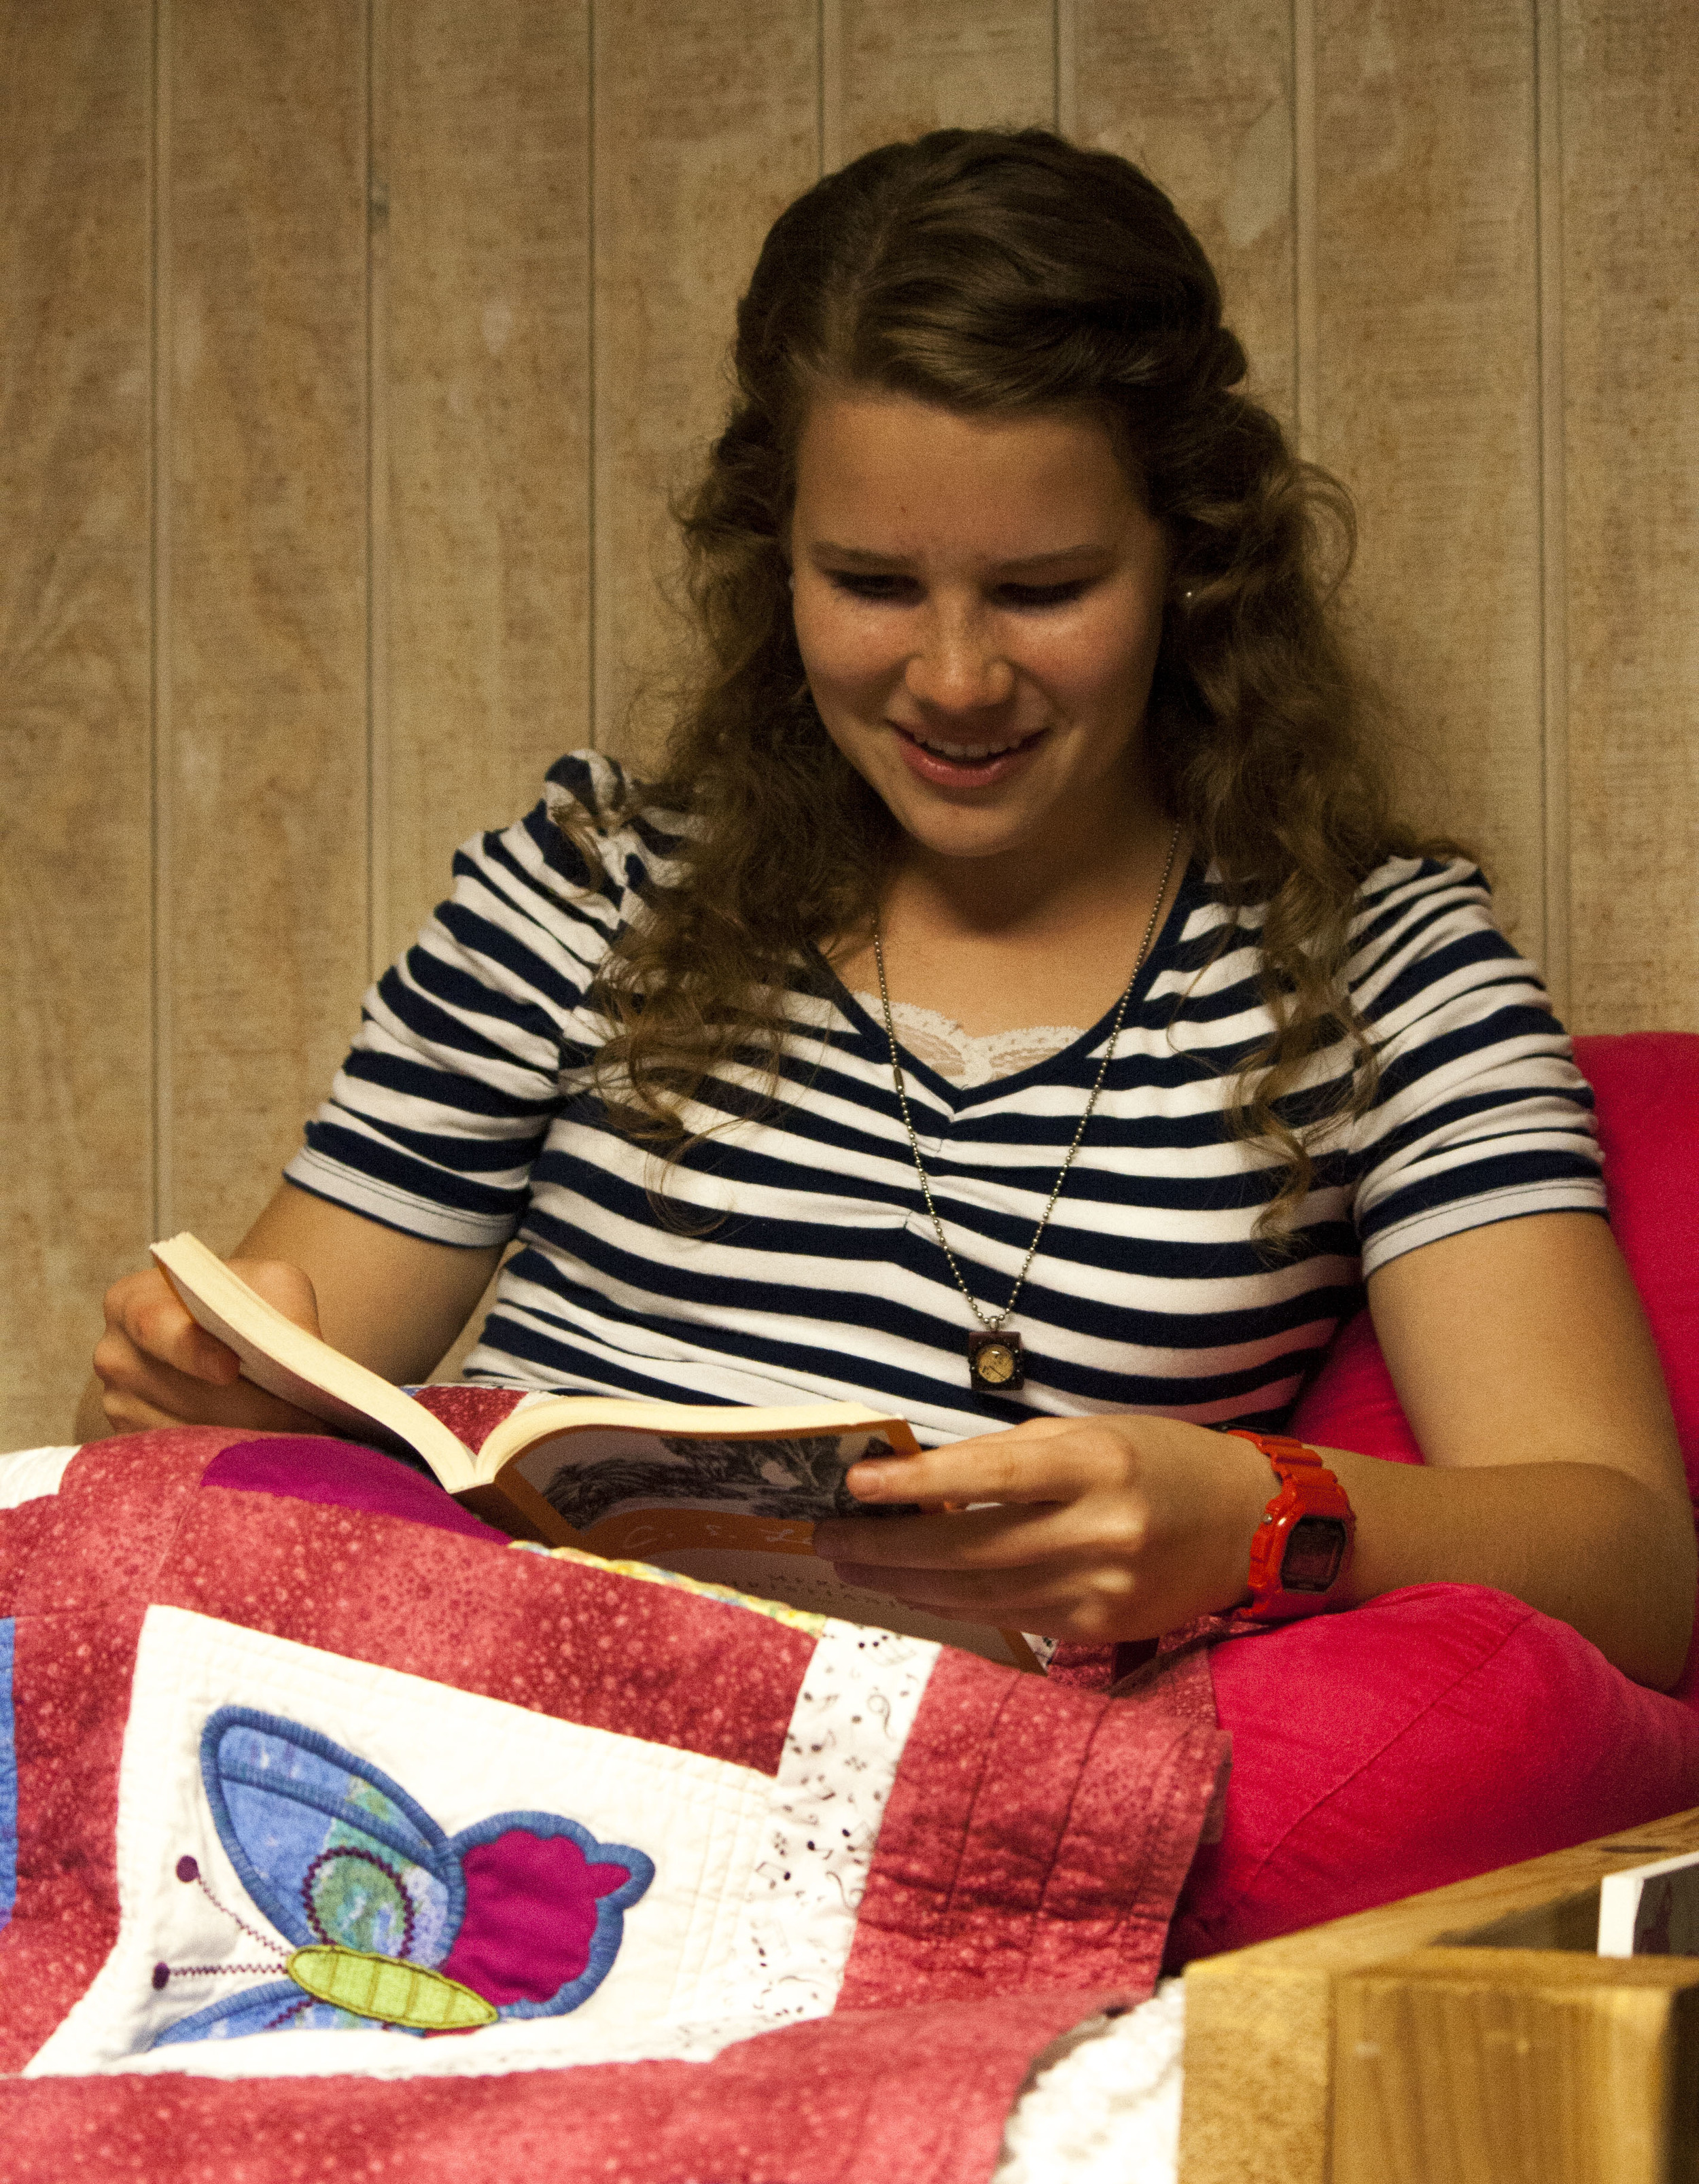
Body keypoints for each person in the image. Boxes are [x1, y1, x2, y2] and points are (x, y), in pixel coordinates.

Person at [86, 126, 1694, 1694]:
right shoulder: (588, 891)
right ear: (769, 558)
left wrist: (1254, 1515)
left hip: (936, 1787)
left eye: (1043, 590)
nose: (951, 679)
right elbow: (205, 1452)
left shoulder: (1375, 972)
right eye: (867, 584)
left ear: (1193, 565)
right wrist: (179, 1387)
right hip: (466, 1709)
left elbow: (1634, 1572)